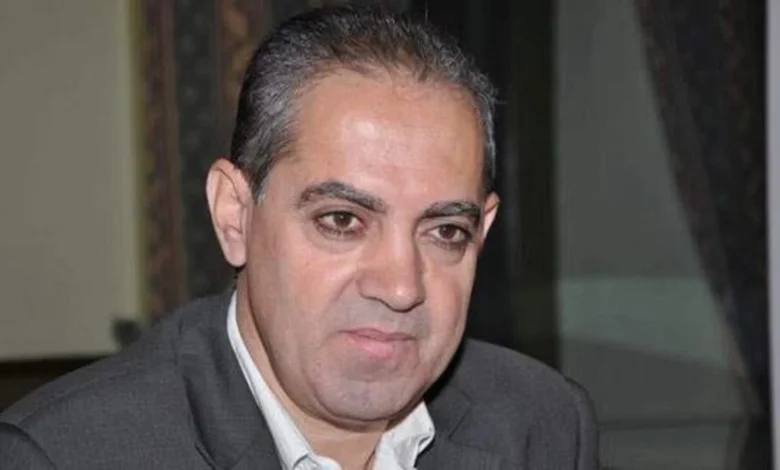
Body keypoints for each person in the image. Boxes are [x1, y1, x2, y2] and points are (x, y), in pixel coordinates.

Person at [0, 5, 598, 469]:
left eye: (445, 230)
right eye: (341, 221)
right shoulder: (64, 455)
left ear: (483, 232)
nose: (400, 287)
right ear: (235, 215)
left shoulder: (542, 425)